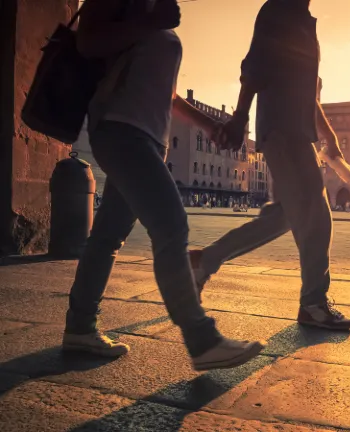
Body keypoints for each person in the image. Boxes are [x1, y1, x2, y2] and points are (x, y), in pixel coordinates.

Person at [62, 0, 264, 370]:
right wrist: (152, 21)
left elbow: (167, 96)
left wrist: (208, 126)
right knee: (171, 226)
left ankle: (79, 327)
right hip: (121, 131)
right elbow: (87, 43)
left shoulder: (155, 12)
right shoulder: (139, 10)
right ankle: (202, 340)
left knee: (107, 238)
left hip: (147, 138)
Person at [189, 0, 350, 330]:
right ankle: (313, 304)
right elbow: (253, 69)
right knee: (316, 217)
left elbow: (309, 98)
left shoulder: (302, 20)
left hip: (296, 131)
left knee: (283, 217)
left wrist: (329, 137)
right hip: (283, 129)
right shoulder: (279, 10)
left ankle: (203, 261)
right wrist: (238, 118)